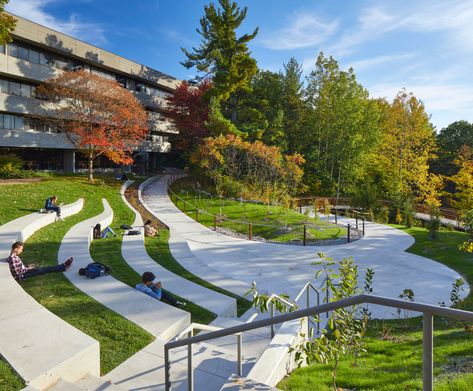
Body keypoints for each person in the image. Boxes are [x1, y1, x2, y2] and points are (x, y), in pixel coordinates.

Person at [7, 241, 73, 280]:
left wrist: (27, 266)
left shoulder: (14, 257)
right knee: (42, 270)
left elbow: (18, 268)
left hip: (24, 272)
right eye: (21, 249)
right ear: (15, 249)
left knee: (43, 269)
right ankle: (63, 266)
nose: (22, 251)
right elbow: (17, 273)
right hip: (22, 276)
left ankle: (62, 267)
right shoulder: (13, 259)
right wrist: (28, 268)